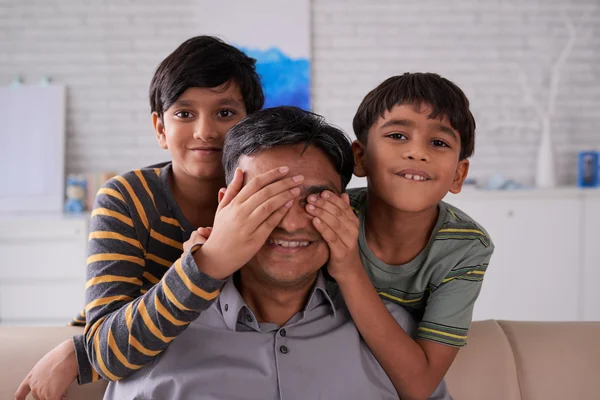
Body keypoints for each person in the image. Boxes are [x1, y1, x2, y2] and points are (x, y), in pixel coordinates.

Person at [104, 105, 451, 400]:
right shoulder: (154, 343)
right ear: (225, 206)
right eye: (268, 198)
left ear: (346, 210)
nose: (292, 223)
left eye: (316, 200)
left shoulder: (395, 339)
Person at [15, 35, 265, 400]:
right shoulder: (126, 198)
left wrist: (82, 351)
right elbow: (105, 339)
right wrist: (205, 265)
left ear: (250, 125)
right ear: (160, 128)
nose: (205, 131)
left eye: (225, 113)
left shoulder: (264, 199)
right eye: (184, 113)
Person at [305, 73, 494, 399]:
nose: (417, 153)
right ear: (360, 157)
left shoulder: (466, 247)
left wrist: (349, 269)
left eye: (439, 142)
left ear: (458, 175)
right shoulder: (331, 213)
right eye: (397, 135)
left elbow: (419, 386)